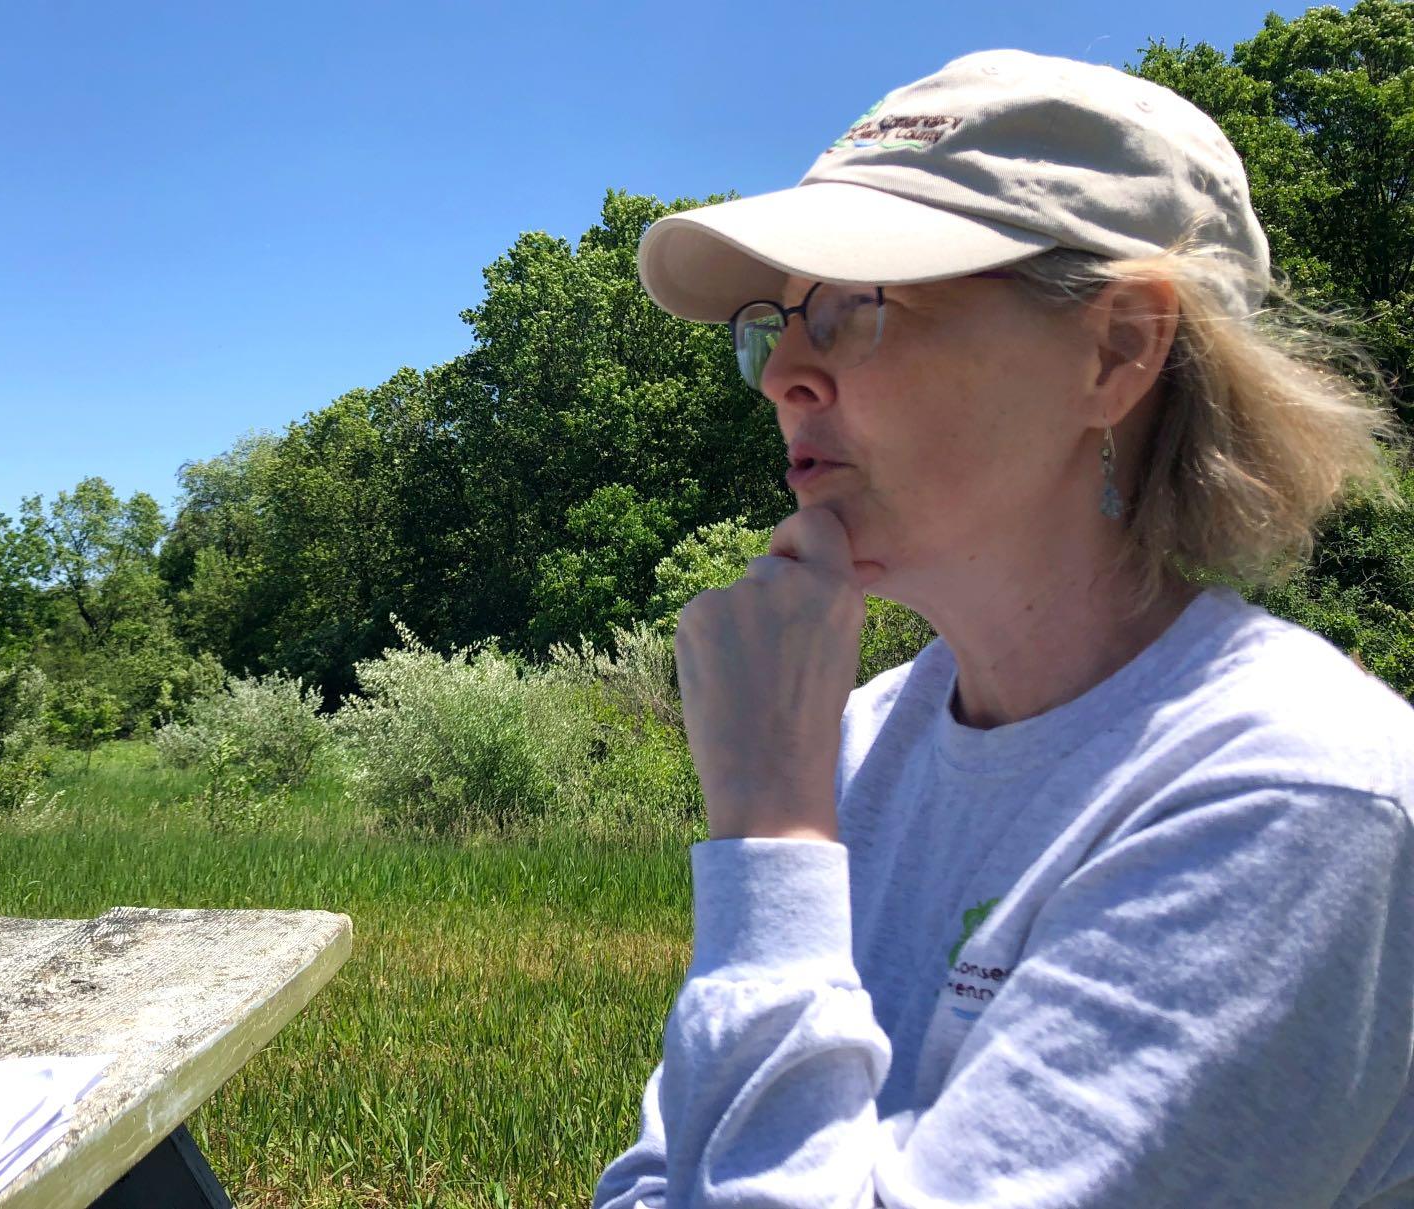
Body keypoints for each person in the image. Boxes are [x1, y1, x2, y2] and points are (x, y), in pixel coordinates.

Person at [592, 48, 1414, 1209]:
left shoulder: (1291, 792)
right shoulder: (856, 742)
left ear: (1118, 348)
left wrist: (770, 841)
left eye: (849, 310)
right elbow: (655, 1182)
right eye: (775, 322)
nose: (781, 370)